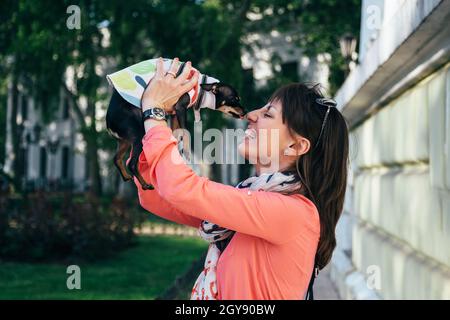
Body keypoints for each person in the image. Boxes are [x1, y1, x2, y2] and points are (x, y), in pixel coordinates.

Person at [134, 57, 349, 300]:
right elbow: (156, 195)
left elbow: (182, 190)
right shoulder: (254, 201)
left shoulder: (294, 214)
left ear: (295, 146)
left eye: (268, 114)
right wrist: (142, 125)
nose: (251, 115)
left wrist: (153, 111)